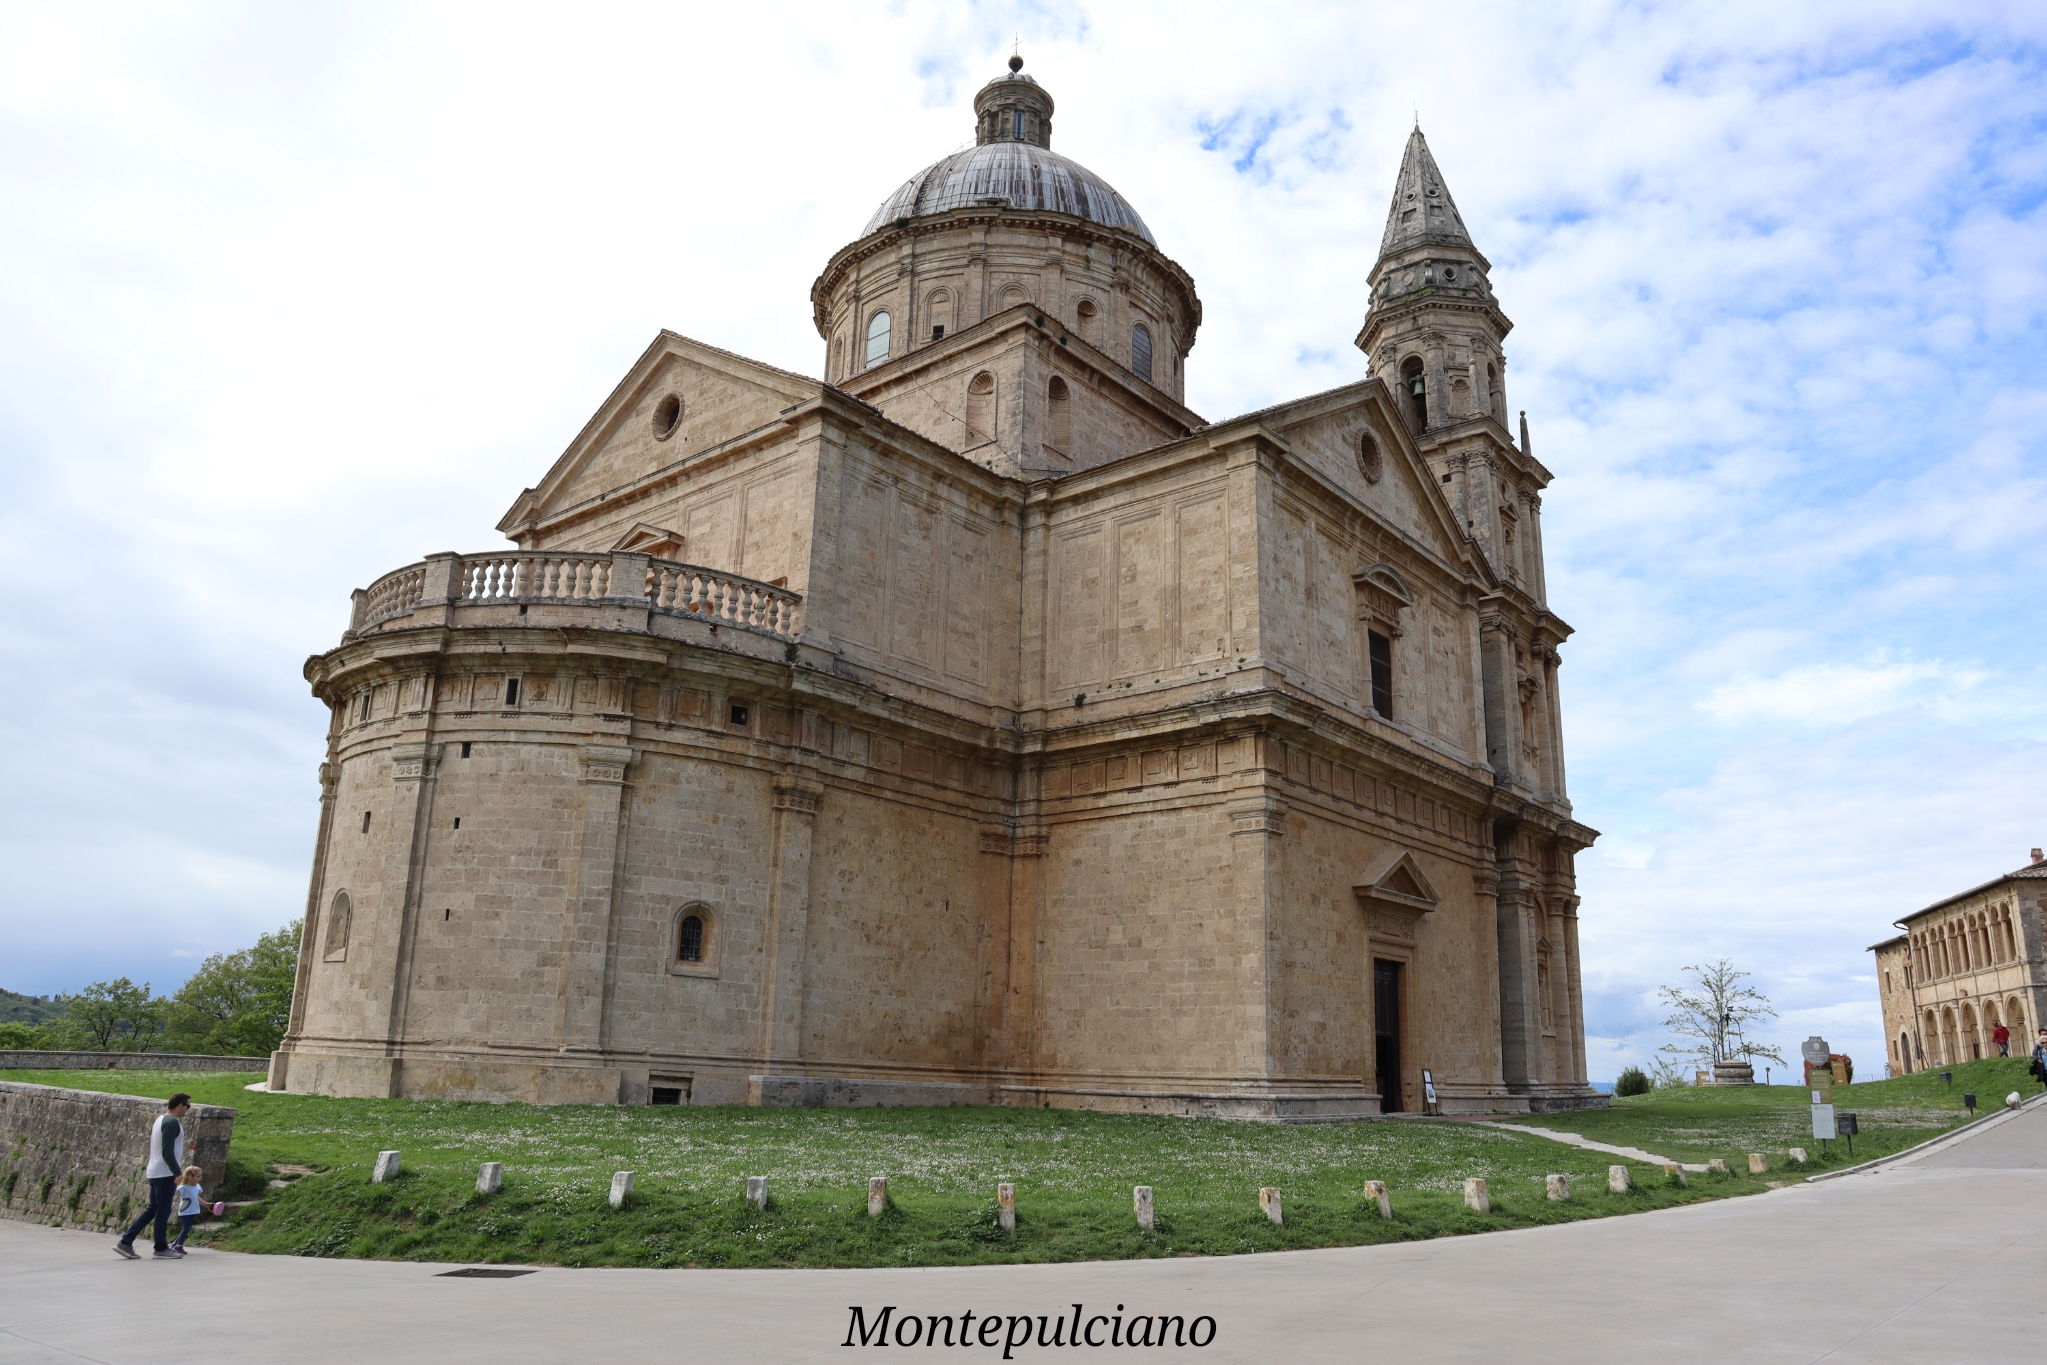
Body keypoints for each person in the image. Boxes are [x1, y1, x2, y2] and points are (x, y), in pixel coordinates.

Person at [113, 1093, 191, 1260]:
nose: (187, 1109)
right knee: (162, 1211)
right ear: (179, 1105)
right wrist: (178, 1173)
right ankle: (161, 1247)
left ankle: (125, 1242)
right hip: (164, 1173)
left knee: (153, 1209)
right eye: (187, 1106)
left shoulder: (161, 1119)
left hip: (155, 1171)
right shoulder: (171, 1123)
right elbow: (167, 1151)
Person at [168, 1165, 220, 1257]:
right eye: (198, 1176)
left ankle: (174, 1244)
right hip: (184, 1211)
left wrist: (205, 1203)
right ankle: (178, 1246)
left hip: (193, 1210)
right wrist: (173, 1184)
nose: (200, 1178)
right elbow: (174, 1192)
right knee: (187, 1227)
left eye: (200, 1176)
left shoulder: (197, 1186)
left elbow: (196, 1197)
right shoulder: (183, 1187)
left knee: (187, 1227)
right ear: (190, 1177)